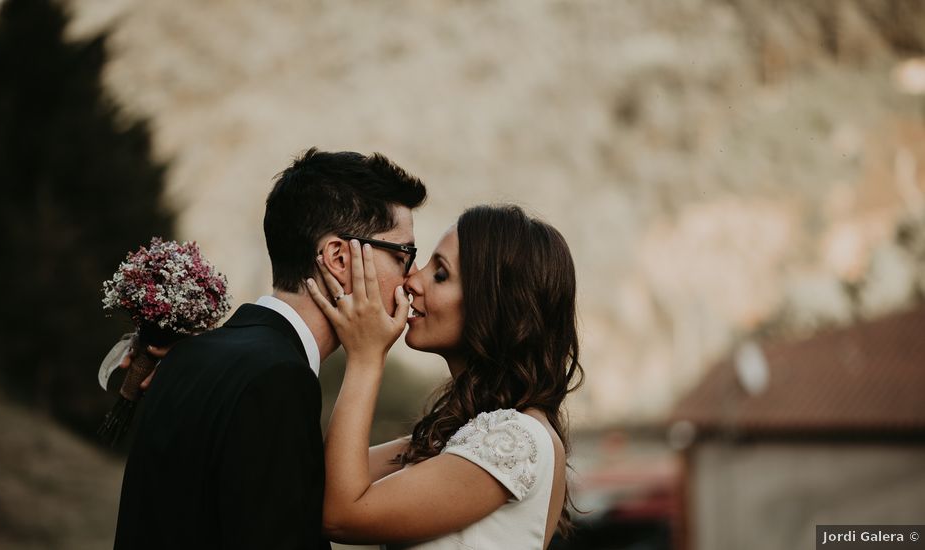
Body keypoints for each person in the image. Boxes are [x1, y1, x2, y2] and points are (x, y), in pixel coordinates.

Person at [113, 148, 426, 549]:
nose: (413, 278)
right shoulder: (279, 379)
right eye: (404, 255)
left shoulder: (191, 353)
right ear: (338, 258)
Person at [306, 204, 583, 549]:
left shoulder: (516, 440)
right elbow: (316, 484)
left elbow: (340, 515)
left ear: (493, 306)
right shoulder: (458, 438)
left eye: (440, 274)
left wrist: (365, 358)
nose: (412, 280)